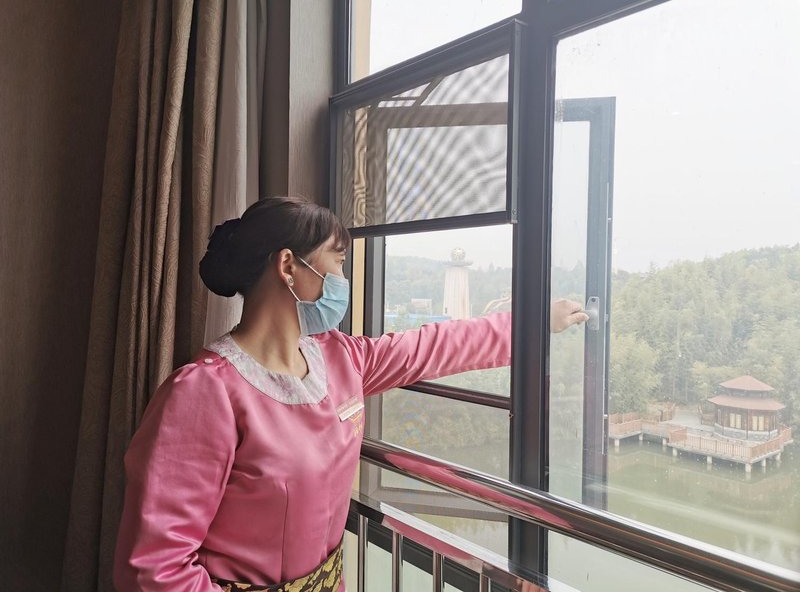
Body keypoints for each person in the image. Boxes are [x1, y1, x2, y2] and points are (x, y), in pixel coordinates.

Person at [113, 197, 587, 591]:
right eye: (337, 262)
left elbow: (432, 346)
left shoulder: (340, 359)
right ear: (288, 266)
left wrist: (532, 324)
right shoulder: (205, 393)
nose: (343, 280)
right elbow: (155, 568)